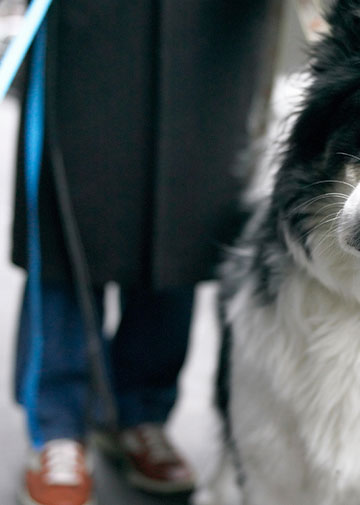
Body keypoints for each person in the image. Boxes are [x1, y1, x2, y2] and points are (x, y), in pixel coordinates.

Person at [11, 2, 282, 505]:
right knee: (71, 194)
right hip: (90, 23)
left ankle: (140, 410)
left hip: (210, 27)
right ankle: (58, 422)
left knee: (183, 212)